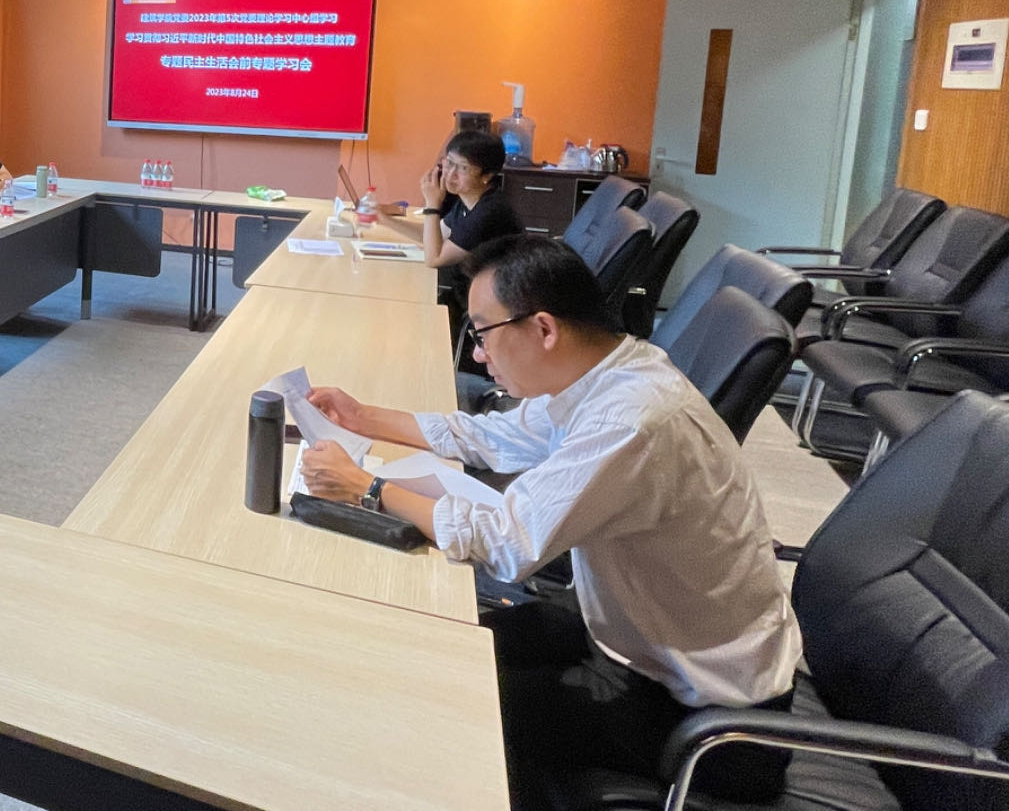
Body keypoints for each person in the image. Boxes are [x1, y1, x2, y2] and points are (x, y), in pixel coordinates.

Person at [299, 235, 799, 808]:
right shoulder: (608, 373)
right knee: (435, 642)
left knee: (441, 698)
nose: (479, 355)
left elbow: (507, 544)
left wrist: (369, 488)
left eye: (482, 334)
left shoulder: (634, 419)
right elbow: (493, 437)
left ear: (543, 329)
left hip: (707, 715)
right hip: (631, 637)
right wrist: (362, 417)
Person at [390, 128, 523, 300]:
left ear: (487, 176)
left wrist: (432, 205)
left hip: (496, 299)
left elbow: (434, 259)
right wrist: (382, 219)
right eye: (449, 163)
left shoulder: (488, 212)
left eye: (463, 168)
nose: (451, 174)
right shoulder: (467, 200)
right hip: (471, 291)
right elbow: (431, 236)